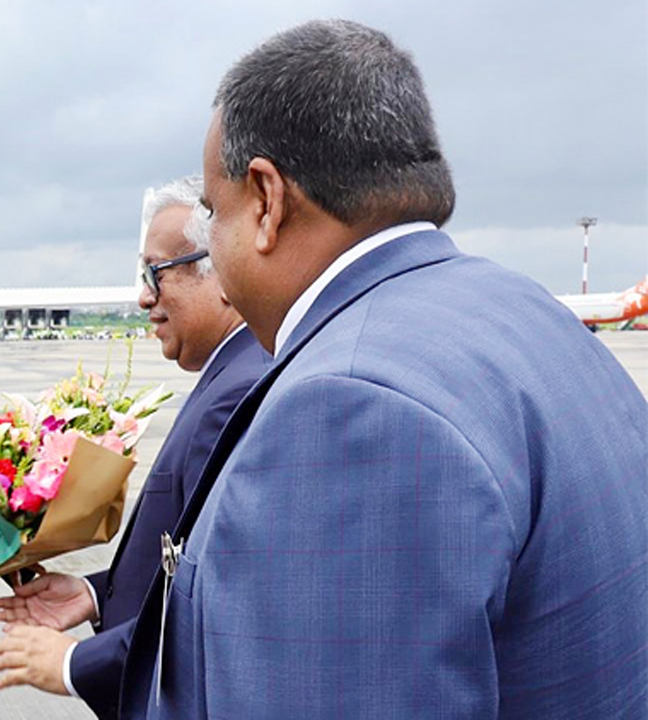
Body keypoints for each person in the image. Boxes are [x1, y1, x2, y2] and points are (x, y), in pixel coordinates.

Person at [119, 19, 648, 719]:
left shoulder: (343, 412)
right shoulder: (525, 311)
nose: (209, 244)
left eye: (213, 213)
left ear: (268, 201)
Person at [0, 176, 270, 718]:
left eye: (156, 273)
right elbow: (178, 564)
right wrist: (95, 594)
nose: (143, 297)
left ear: (222, 271)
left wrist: (72, 663)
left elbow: (215, 603)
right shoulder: (228, 373)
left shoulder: (235, 392)